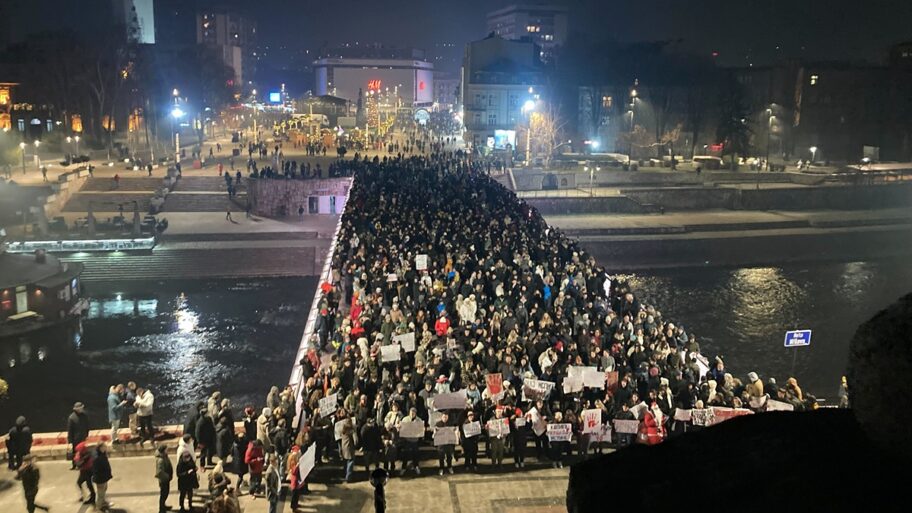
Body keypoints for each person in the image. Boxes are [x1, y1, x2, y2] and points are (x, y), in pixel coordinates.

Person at [67, 402, 89, 469]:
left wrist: (86, 435)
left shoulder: (84, 416)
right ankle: (74, 465)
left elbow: (87, 426)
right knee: (75, 451)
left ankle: (81, 464)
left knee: (82, 451)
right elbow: (70, 430)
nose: (82, 409)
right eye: (80, 408)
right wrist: (70, 441)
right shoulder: (71, 418)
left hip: (82, 437)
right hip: (75, 439)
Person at [93, 442, 113, 511]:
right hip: (100, 478)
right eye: (104, 446)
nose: (106, 447)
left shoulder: (102, 455)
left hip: (104, 477)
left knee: (103, 491)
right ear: (101, 448)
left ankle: (103, 503)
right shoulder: (97, 457)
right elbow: (97, 469)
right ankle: (98, 507)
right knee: (100, 494)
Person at [155, 444, 174, 513]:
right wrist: (167, 476)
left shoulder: (165, 456)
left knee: (166, 493)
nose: (168, 450)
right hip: (164, 480)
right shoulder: (161, 460)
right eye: (166, 449)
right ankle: (161, 509)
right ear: (163, 450)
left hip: (166, 479)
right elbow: (159, 472)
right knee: (163, 494)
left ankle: (163, 506)